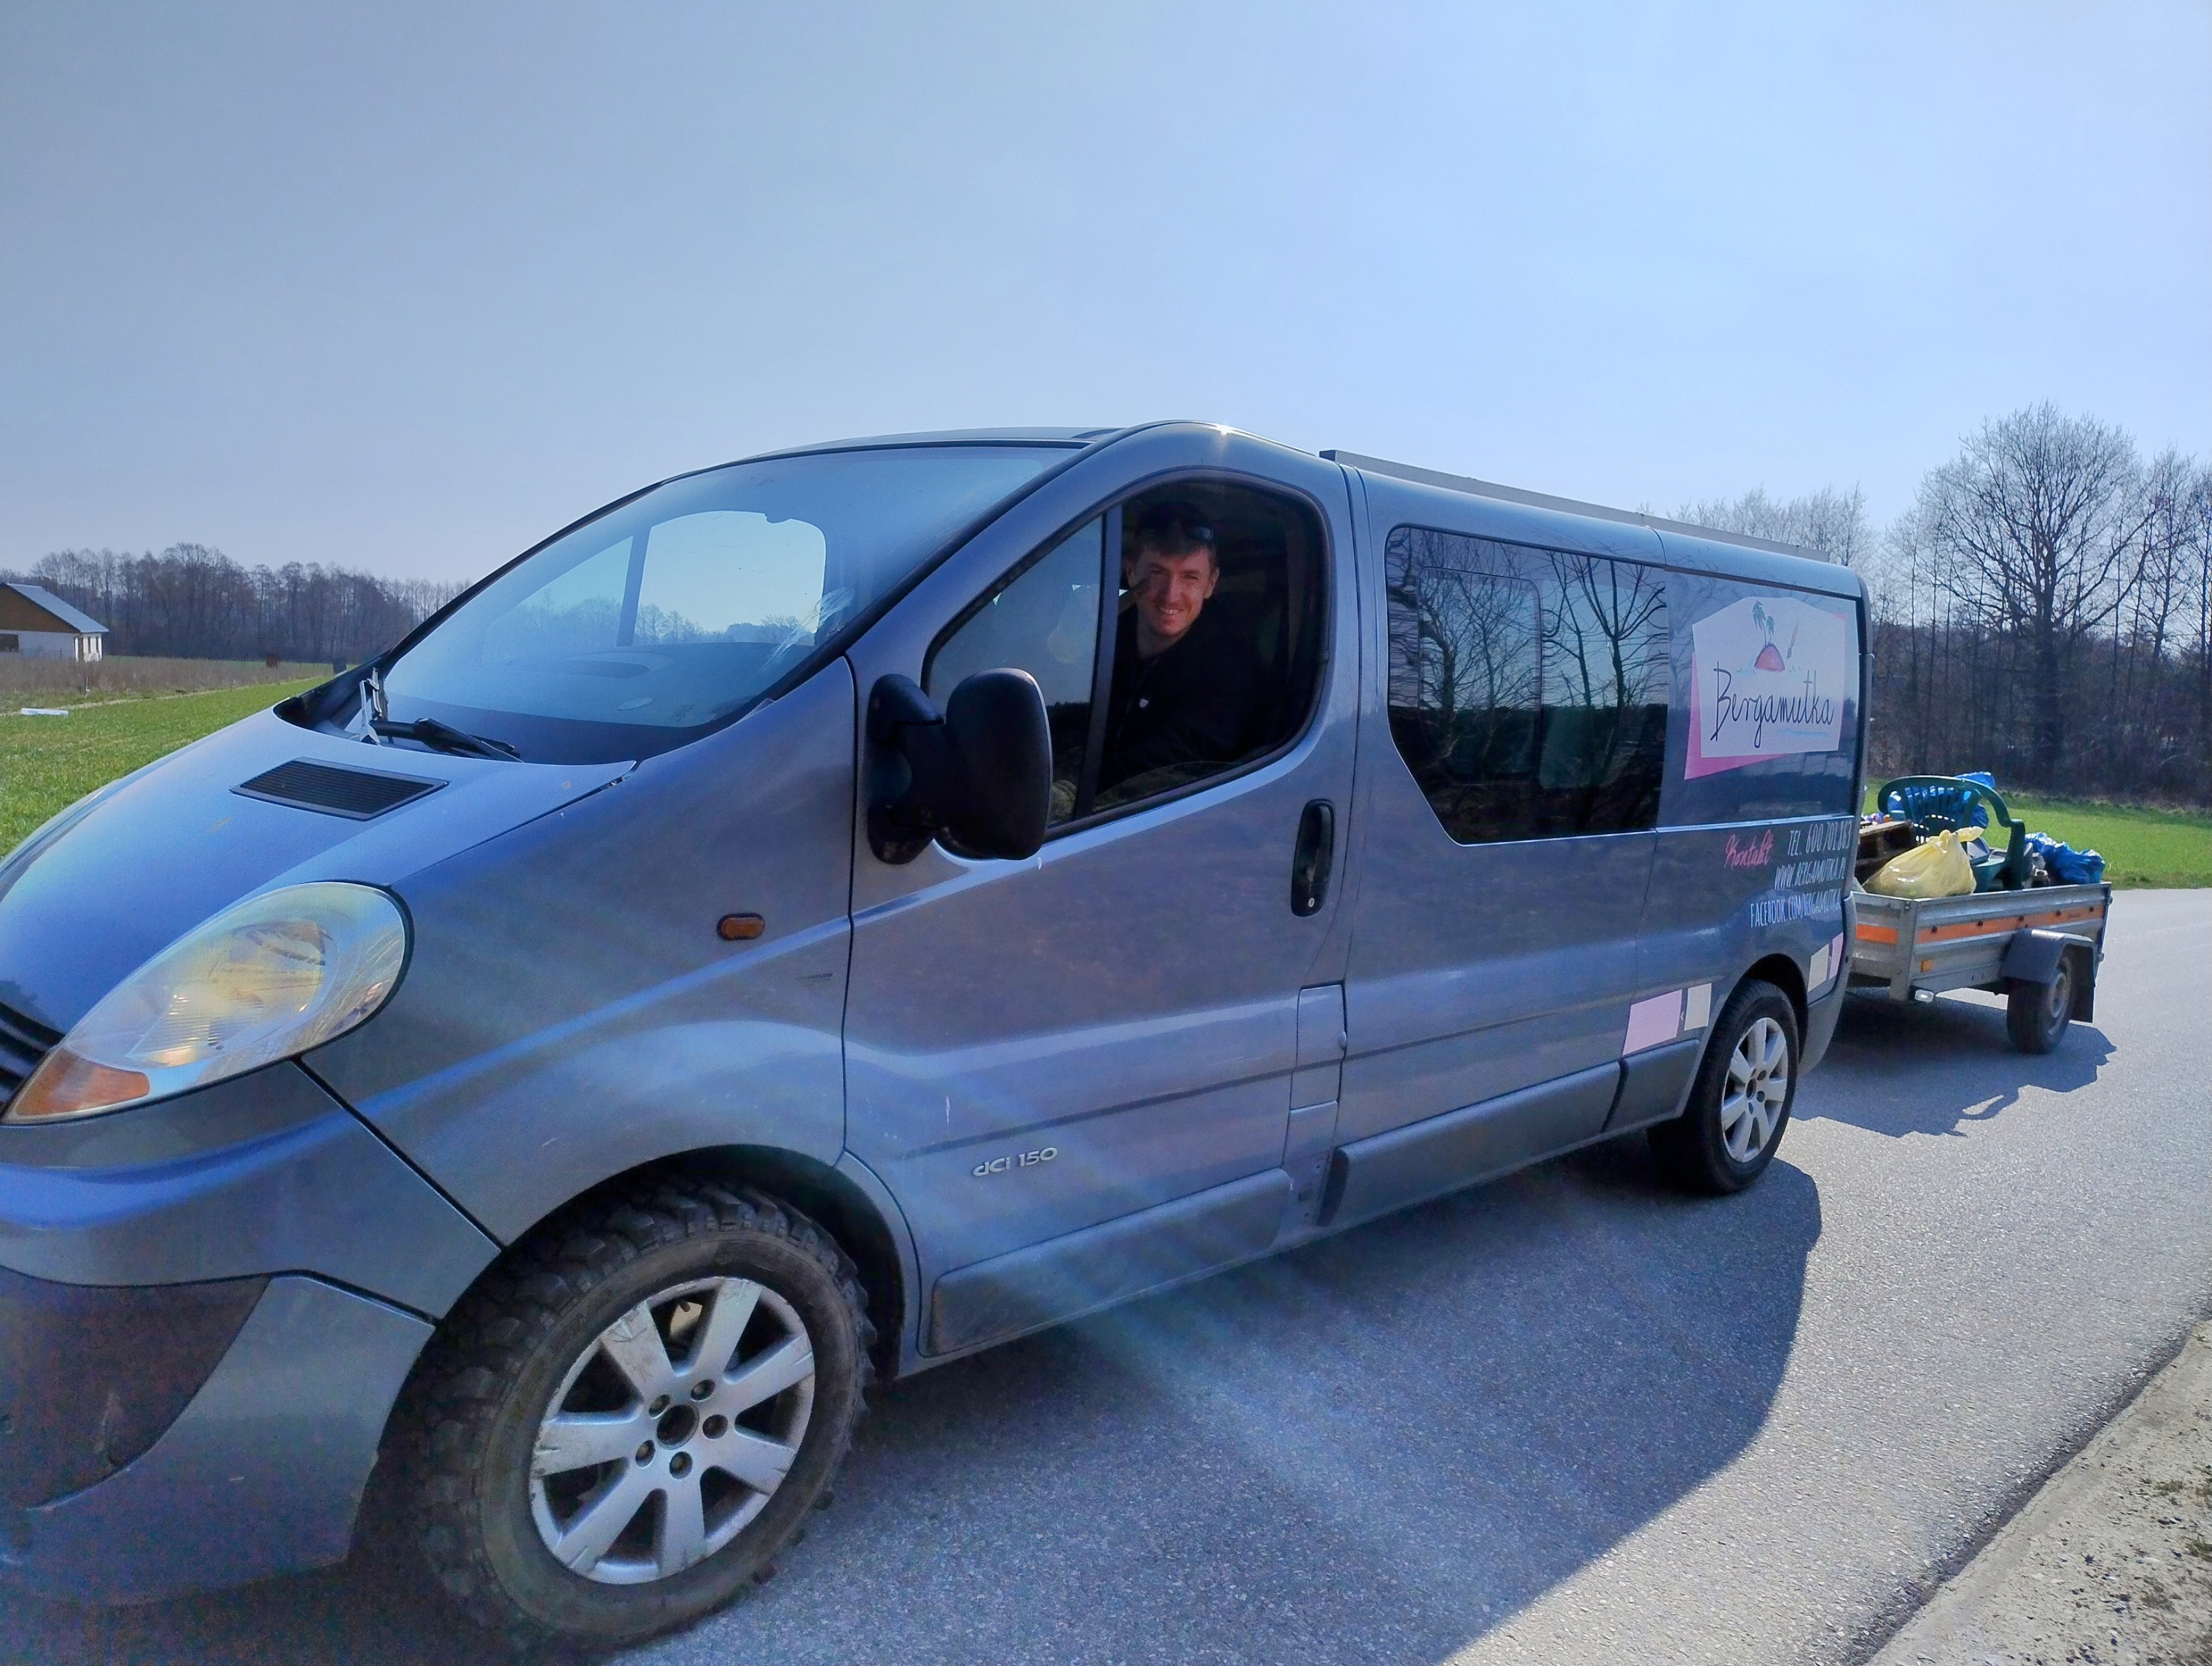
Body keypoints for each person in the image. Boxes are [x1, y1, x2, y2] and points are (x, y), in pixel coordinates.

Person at [1096, 504, 1268, 797]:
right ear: (1131, 572)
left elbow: (1178, 758)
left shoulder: (1232, 671)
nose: (1171, 595)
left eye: (1190, 577)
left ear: (1211, 584)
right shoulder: (1099, 640)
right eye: (1157, 573)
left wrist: (1080, 788)